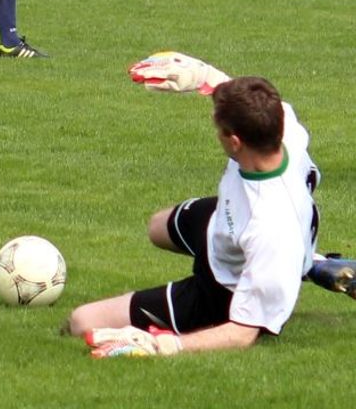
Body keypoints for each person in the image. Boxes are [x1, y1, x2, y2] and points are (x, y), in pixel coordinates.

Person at [68, 58, 345, 357]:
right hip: (224, 225)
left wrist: (168, 345)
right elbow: (246, 101)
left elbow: (242, 333)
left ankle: (300, 265)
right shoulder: (282, 126)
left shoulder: (270, 229)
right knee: (156, 227)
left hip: (223, 287)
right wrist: (203, 75)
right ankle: (308, 263)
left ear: (235, 141)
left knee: (81, 321)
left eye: (219, 128)